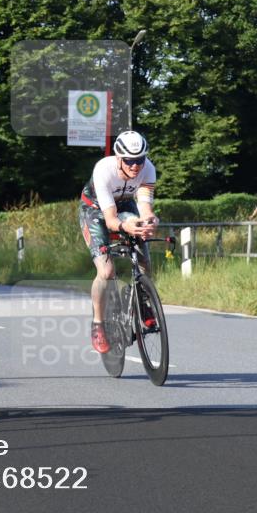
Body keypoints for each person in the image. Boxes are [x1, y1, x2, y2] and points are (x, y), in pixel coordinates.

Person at [79, 130, 158, 354]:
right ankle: (98, 323)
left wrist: (149, 221)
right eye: (130, 161)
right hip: (94, 210)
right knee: (106, 271)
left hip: (125, 205)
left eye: (140, 160)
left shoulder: (148, 169)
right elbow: (111, 220)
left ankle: (143, 301)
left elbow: (144, 206)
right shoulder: (103, 170)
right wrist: (126, 227)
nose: (136, 166)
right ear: (119, 158)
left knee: (144, 259)